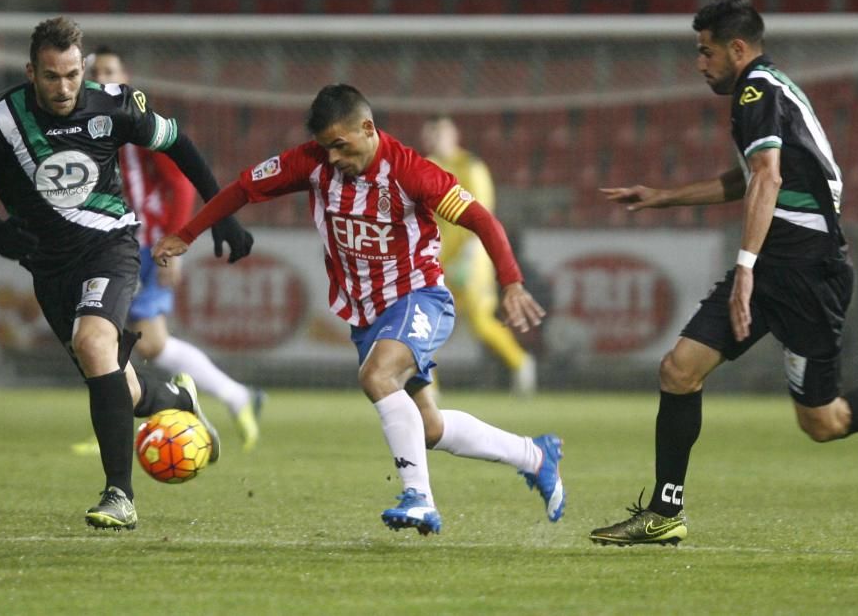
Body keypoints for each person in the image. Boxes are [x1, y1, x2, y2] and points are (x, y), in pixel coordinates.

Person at [154, 84, 566, 535]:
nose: (332, 158)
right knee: (426, 428)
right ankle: (535, 456)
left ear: (367, 129)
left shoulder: (413, 173)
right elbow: (243, 189)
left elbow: (481, 219)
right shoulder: (310, 163)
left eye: (340, 146)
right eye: (326, 147)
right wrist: (188, 233)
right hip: (367, 315)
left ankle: (420, 500)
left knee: (376, 377)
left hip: (418, 296)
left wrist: (510, 282)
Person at [591, 0, 858, 546]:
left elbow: (766, 177)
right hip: (776, 264)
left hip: (805, 270)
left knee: (824, 422)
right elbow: (749, 177)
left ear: (737, 48)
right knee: (679, 370)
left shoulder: (756, 90)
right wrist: (664, 197)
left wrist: (744, 268)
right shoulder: (763, 92)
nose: (699, 64)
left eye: (705, 52)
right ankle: (663, 511)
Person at [0, 16, 254, 531]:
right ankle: (176, 399)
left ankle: (120, 494)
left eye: (72, 74)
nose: (64, 87)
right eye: (51, 76)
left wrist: (219, 212)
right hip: (47, 268)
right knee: (117, 382)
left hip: (109, 248)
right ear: (31, 72)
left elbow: (178, 142)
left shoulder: (114, 103)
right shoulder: (1, 118)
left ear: (82, 67)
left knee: (94, 345)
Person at [88, 46, 264, 453]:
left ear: (126, 74)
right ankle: (237, 396)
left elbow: (181, 182)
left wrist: (175, 240)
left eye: (110, 70)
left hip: (145, 245)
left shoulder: (137, 122)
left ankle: (122, 424)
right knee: (133, 340)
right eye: (96, 72)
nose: (103, 77)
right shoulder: (89, 125)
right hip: (114, 242)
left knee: (122, 338)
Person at [421, 114, 537, 395]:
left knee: (481, 322)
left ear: (453, 136)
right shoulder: (428, 166)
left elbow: (482, 214)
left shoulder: (471, 167)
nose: (435, 139)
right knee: (425, 320)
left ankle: (521, 362)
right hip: (437, 259)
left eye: (440, 133)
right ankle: (428, 385)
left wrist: (469, 255)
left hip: (473, 261)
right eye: (432, 134)